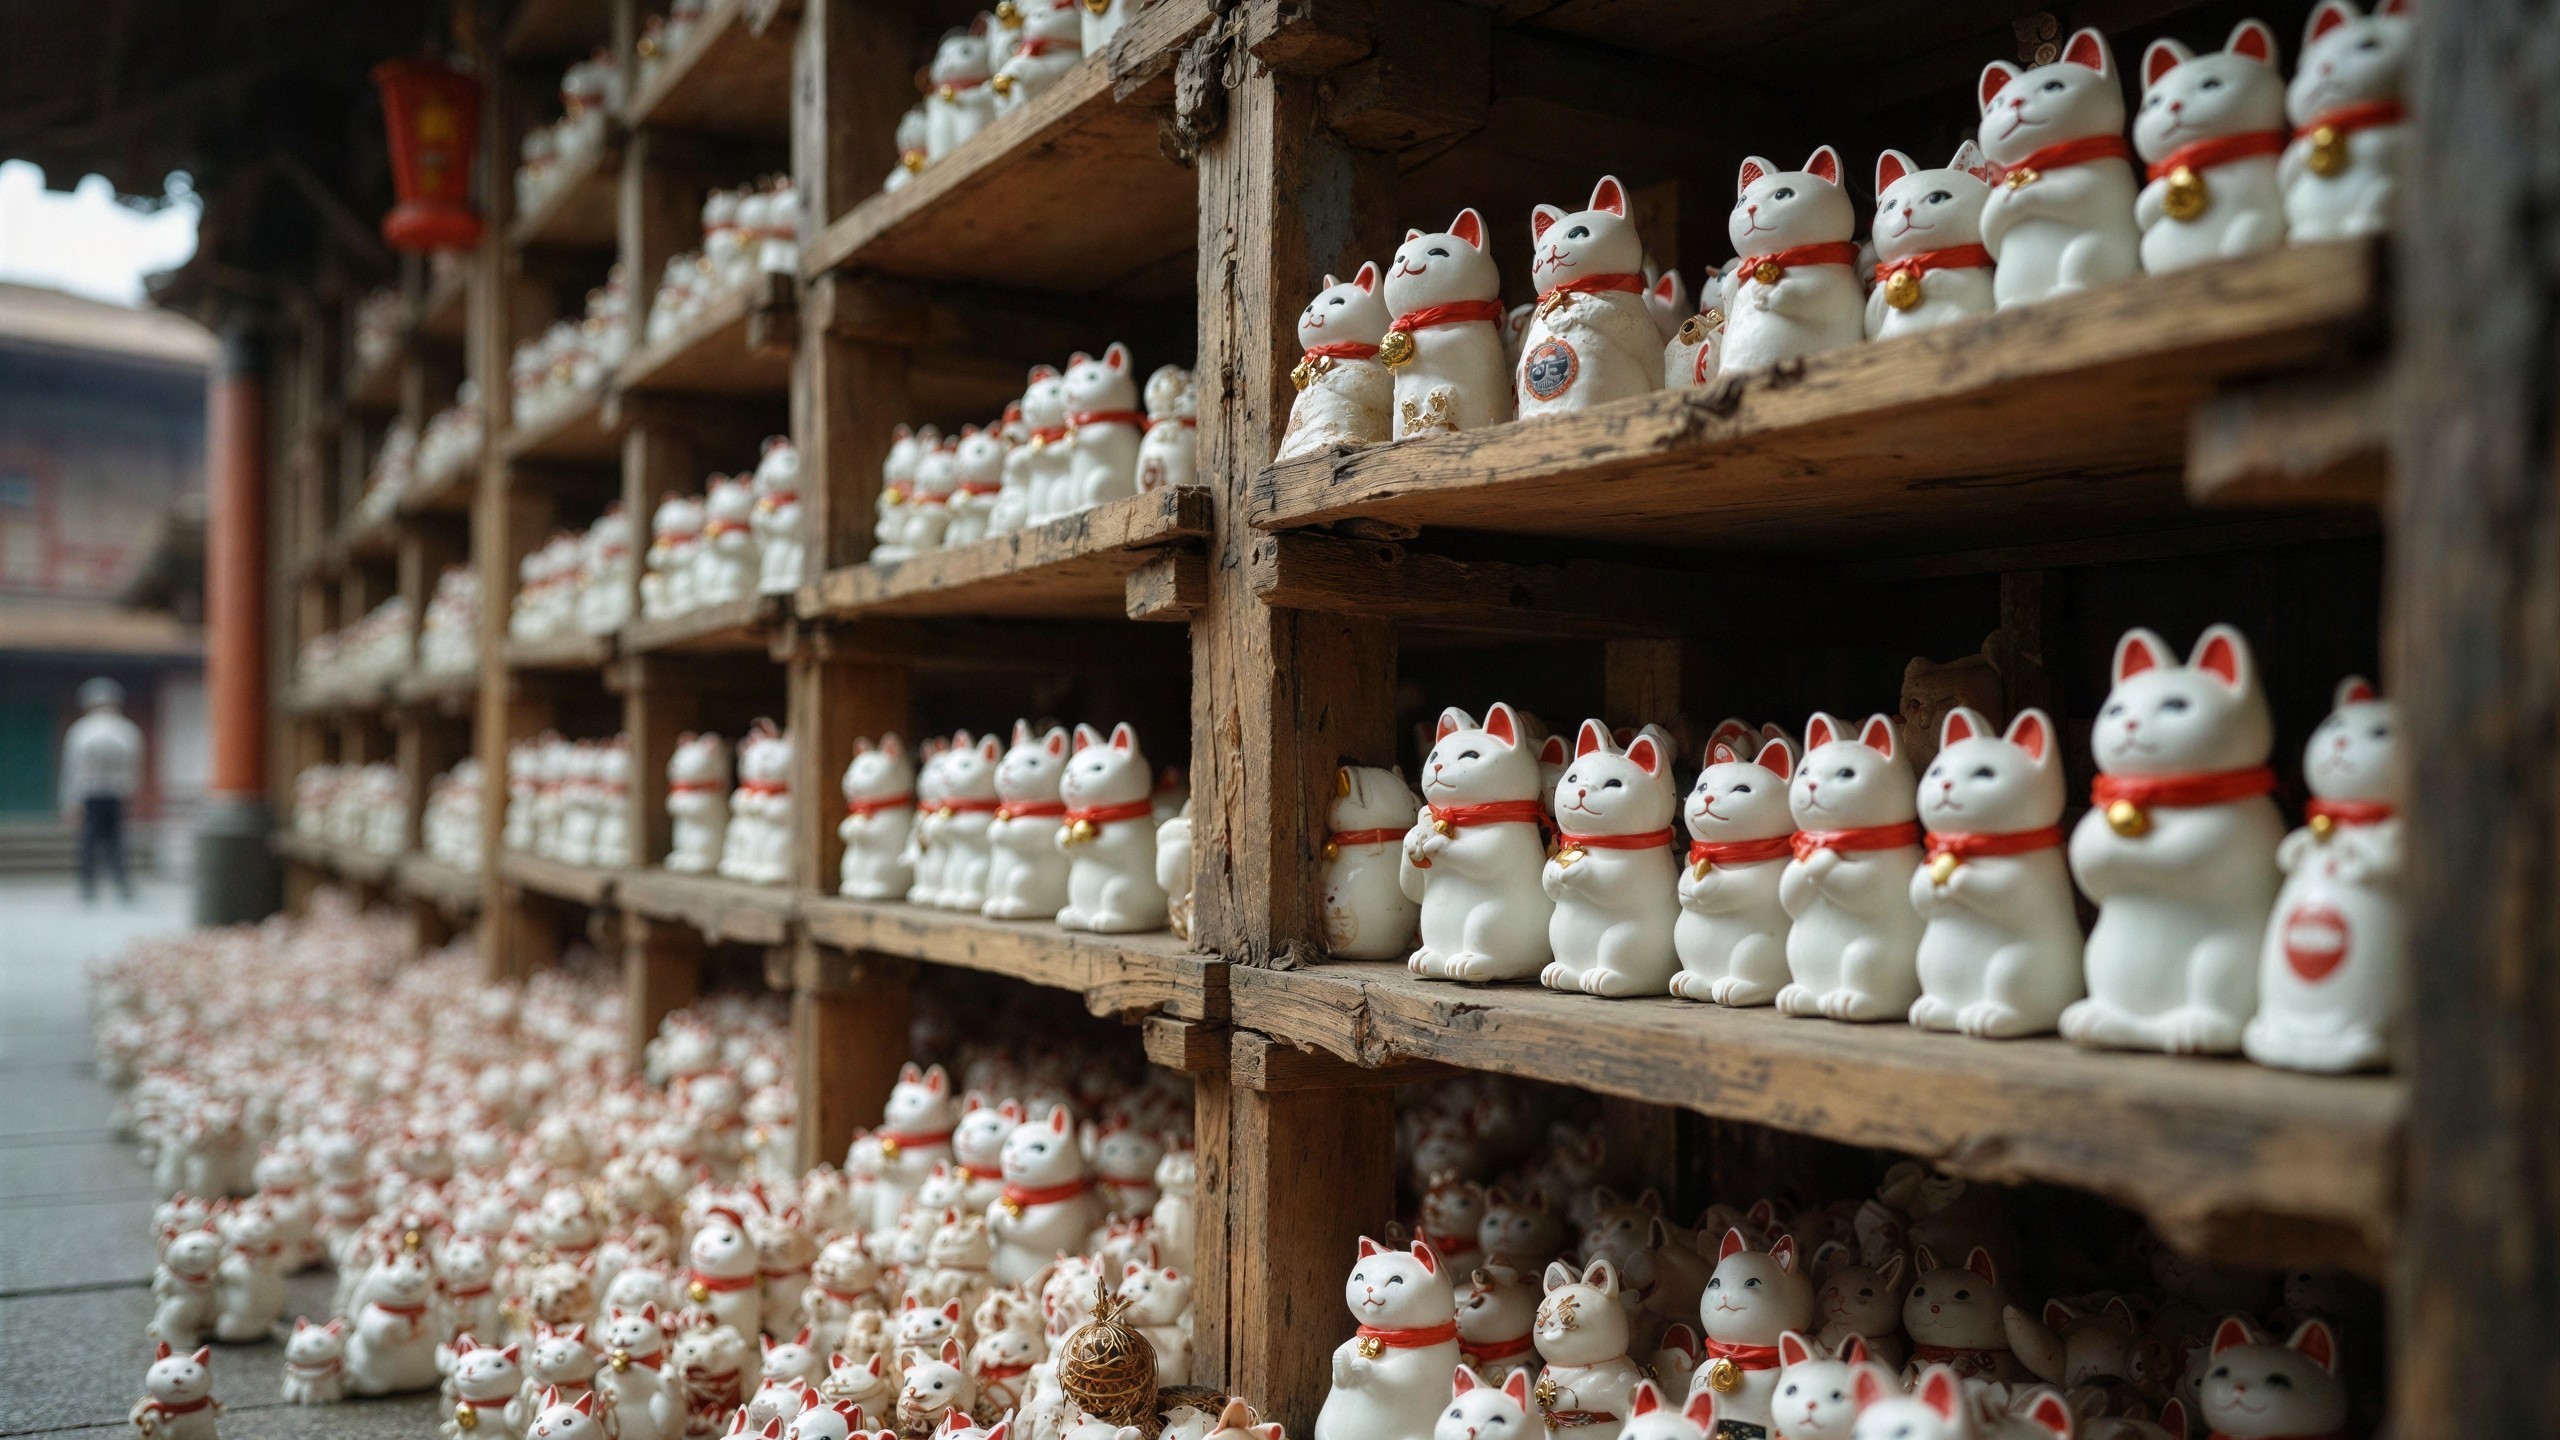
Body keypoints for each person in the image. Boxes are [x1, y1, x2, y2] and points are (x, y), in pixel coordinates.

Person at [60, 677, 143, 903]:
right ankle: (119, 883)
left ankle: (91, 885)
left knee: (91, 840)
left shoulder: (81, 731)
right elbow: (133, 767)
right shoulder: (126, 731)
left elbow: (71, 769)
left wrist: (70, 802)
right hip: (114, 793)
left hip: (93, 793)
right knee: (114, 840)